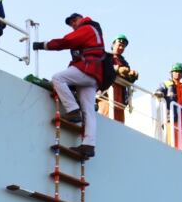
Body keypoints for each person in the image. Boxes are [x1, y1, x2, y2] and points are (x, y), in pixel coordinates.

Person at [32, 13, 106, 158]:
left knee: (57, 78)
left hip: (88, 68)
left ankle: (73, 111)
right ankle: (88, 146)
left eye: (74, 20)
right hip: (95, 75)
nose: (73, 24)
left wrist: (43, 45)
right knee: (89, 112)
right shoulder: (93, 31)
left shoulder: (87, 28)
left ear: (81, 18)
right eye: (70, 23)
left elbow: (65, 42)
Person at [155, 62, 182, 151]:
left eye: (180, 71)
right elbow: (159, 91)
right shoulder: (166, 84)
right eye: (176, 71)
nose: (178, 73)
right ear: (172, 73)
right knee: (171, 141)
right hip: (171, 118)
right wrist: (159, 94)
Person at [98, 34, 138, 123]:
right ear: (113, 44)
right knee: (105, 118)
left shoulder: (124, 62)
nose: (121, 48)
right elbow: (102, 68)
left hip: (120, 97)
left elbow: (128, 79)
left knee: (119, 122)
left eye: (123, 46)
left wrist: (132, 76)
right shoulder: (105, 56)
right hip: (106, 95)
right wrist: (117, 69)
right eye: (119, 45)